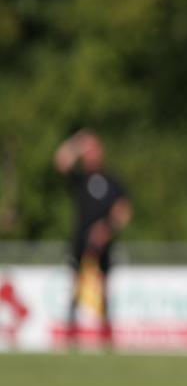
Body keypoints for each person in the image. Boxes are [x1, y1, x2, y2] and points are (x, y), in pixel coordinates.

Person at [54, 130, 132, 347]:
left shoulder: (112, 180)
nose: (90, 155)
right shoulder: (81, 179)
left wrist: (107, 229)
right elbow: (60, 161)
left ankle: (106, 334)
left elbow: (123, 210)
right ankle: (71, 333)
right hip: (80, 240)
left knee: (104, 287)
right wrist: (78, 143)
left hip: (104, 241)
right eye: (87, 152)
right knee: (75, 284)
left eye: (93, 150)